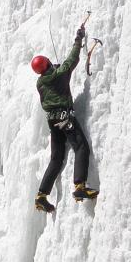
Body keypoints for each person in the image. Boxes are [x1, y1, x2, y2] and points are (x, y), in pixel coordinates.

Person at [30, 26, 98, 213]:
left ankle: (41, 196)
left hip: (52, 121)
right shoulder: (59, 74)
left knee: (56, 158)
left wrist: (55, 70)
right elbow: (71, 61)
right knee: (81, 147)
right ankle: (80, 186)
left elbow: (53, 76)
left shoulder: (40, 82)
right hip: (64, 117)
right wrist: (78, 39)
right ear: (48, 63)